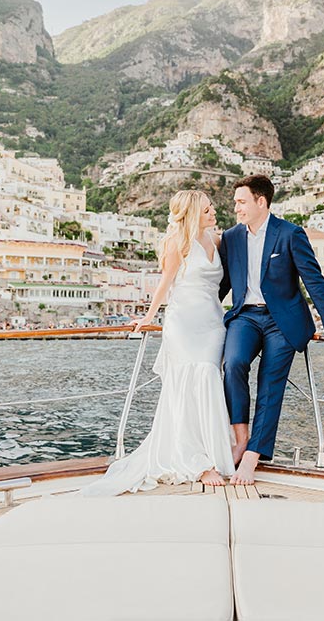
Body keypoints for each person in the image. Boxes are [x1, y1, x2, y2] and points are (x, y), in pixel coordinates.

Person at [81, 191, 234, 495]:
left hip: (213, 323)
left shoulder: (216, 241)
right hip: (183, 324)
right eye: (207, 210)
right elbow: (164, 284)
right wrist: (146, 317)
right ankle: (197, 461)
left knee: (208, 381)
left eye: (212, 207)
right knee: (188, 385)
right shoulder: (177, 242)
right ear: (192, 214)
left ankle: (212, 454)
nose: (214, 212)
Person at [218, 175, 324, 486]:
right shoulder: (231, 238)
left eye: (241, 201)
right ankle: (240, 438)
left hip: (283, 321)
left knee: (270, 382)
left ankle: (253, 455)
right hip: (245, 317)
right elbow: (222, 285)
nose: (236, 207)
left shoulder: (290, 234)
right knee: (233, 364)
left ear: (260, 202)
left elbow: (313, 280)